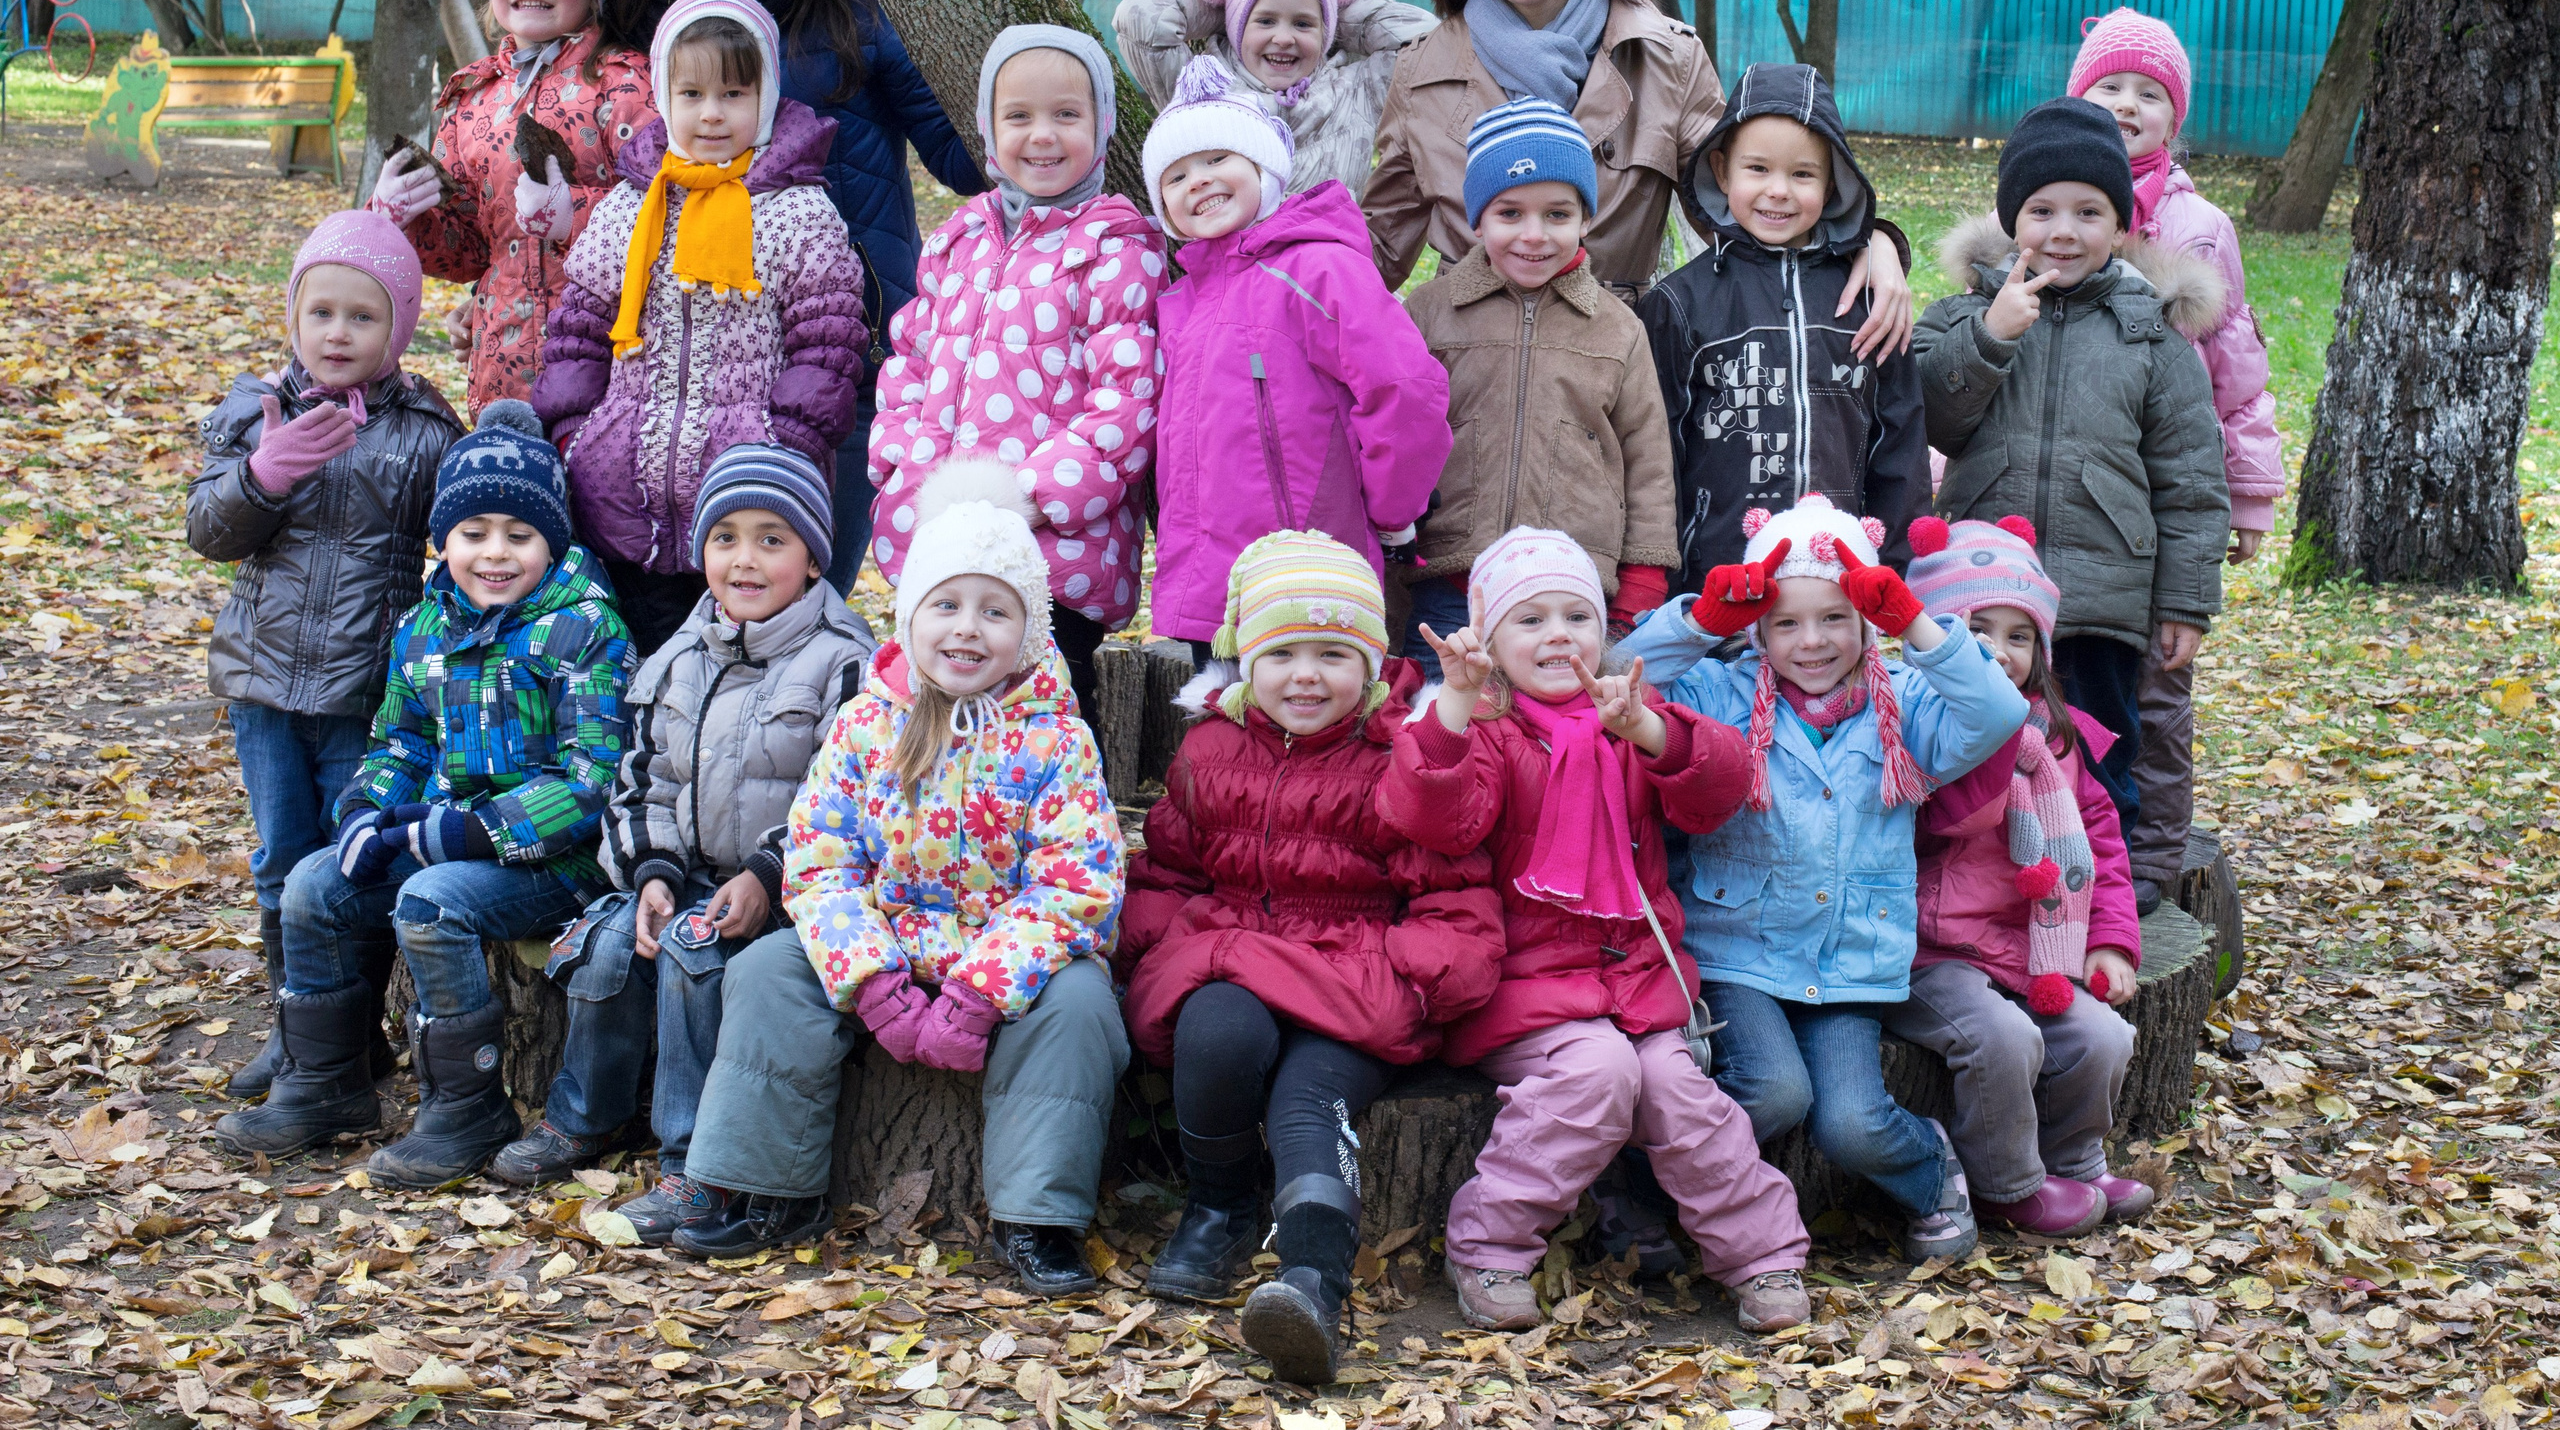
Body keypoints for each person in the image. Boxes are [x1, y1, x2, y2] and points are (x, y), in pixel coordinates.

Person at [671, 459, 1127, 1291]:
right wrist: (873, 978)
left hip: (1010, 953)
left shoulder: (1057, 737)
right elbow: (819, 859)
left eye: (995, 611)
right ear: (911, 614)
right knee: (770, 972)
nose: (966, 628)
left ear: (1028, 631)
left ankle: (1037, 1215)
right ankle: (764, 1182)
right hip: (886, 937)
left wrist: (982, 990)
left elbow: (1077, 883)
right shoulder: (867, 722)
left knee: (1080, 1009)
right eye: (946, 605)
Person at [1381, 527, 1813, 1337]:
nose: (1556, 635)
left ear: (1603, 632)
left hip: (1639, 985)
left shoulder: (1626, 714)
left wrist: (1649, 732)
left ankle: (1762, 1257)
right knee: (1599, 1071)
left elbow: (1721, 783)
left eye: (1576, 616)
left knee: (1681, 1092)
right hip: (1525, 990)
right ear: (1492, 639)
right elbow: (1431, 815)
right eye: (1529, 619)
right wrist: (1454, 701)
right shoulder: (1489, 734)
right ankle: (1491, 1245)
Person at [212, 403, 637, 1185]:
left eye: (520, 534)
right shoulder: (425, 625)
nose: (495, 554)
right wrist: (366, 811)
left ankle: (467, 1103)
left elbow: (590, 784)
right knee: (313, 883)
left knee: (431, 900)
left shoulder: (582, 630)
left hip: (556, 861)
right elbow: (401, 742)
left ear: (554, 540)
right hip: (446, 838)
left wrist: (459, 833)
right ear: (446, 540)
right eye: (474, 534)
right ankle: (327, 1078)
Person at [1120, 532, 1502, 1383]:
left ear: (1369, 664)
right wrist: (1143, 949)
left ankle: (1311, 1284)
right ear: (1243, 659)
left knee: (1309, 1093)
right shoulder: (1210, 749)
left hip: (1352, 964)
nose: (1305, 675)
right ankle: (1218, 1204)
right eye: (1282, 652)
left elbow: (1451, 894)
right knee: (1215, 1029)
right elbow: (1170, 868)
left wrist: (1409, 977)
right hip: (1231, 950)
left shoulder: (1400, 753)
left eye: (1333, 654)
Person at [607, 0, 988, 591]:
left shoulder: (850, 2)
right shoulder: (632, 7)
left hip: (838, 367)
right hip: (672, 378)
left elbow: (969, 159)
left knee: (800, 620)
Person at [1616, 495, 2025, 1260]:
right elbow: (1617, 683)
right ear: (1757, 630)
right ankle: (1639, 1184)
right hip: (1744, 955)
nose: (1812, 641)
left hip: (1851, 966)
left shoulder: (1904, 704)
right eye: (1786, 623)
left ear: (1868, 619)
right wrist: (1700, 622)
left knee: (1851, 1123)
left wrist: (1916, 626)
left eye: (1836, 617)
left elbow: (1998, 711)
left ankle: (1930, 1169)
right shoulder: (1721, 693)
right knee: (1773, 1093)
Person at [482, 444, 877, 1216]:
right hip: (686, 870)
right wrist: (652, 870)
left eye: (773, 538)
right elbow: (638, 783)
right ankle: (584, 1116)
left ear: (813, 555)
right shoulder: (676, 656)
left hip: (793, 888)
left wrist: (768, 877)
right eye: (725, 537)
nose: (746, 559)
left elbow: (848, 798)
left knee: (696, 953)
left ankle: (696, 1158)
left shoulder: (844, 661)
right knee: (604, 945)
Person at [1365, 0, 1910, 343]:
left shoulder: (1666, 58)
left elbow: (1743, 208)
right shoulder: (1420, 70)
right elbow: (1374, 253)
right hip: (1461, 377)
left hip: (1612, 378)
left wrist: (1871, 241)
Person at [188, 212, 464, 1101]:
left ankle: (348, 1037)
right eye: (322, 313)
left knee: (353, 860)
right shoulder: (253, 409)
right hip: (262, 679)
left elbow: (465, 544)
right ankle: (294, 1029)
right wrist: (260, 474)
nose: (338, 333)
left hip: (365, 691)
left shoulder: (423, 430)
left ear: (399, 328)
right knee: (280, 858)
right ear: (294, 317)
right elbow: (208, 531)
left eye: (363, 316)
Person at [1915, 98, 2231, 826]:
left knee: (2099, 757)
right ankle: (1974, 890)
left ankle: (2109, 895)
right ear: (2011, 222)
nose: (2063, 231)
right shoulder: (1962, 316)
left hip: (2099, 601)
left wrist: (2184, 600)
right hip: (1985, 596)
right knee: (1975, 756)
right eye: (2042, 210)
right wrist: (1992, 338)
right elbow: (1935, 418)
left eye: (2089, 213)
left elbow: (2191, 482)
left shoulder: (2149, 335)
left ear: (2121, 226)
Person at [533, 0, 870, 655]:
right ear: (663, 95)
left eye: (733, 94)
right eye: (692, 95)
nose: (711, 114)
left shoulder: (797, 213)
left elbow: (828, 346)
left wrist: (788, 444)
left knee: (739, 661)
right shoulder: (633, 205)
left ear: (766, 95)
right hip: (622, 480)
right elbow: (580, 324)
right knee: (635, 654)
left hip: (747, 492)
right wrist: (578, 432)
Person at [868, 26, 1165, 729]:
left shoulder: (1115, 245)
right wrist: (909, 478)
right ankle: (942, 831)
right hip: (941, 538)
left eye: (1067, 115)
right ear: (986, 126)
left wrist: (1023, 499)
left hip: (1055, 549)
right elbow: (909, 366)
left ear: (1103, 124)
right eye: (1019, 116)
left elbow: (1124, 405)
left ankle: (1056, 829)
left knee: (1043, 711)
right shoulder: (960, 238)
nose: (1042, 136)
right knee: (935, 708)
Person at [2068, 9, 2282, 910]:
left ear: (2174, 116)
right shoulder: (2051, 207)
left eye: (2147, 94)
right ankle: (2057, 844)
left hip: (2167, 500)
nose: (2126, 105)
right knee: (2065, 681)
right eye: (2108, 88)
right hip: (2078, 500)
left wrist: (2248, 496)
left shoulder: (2199, 225)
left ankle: (2148, 861)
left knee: (2157, 687)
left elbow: (2238, 369)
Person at [1889, 514, 2151, 1237]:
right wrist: (1994, 741)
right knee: (2005, 1038)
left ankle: (2071, 1159)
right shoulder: (1915, 726)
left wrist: (2110, 940)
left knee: (2103, 1038)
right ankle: (2007, 1182)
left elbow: (2099, 840)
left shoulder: (2056, 734)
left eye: (2019, 635)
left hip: (2033, 946)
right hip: (1931, 952)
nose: (1999, 653)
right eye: (1977, 629)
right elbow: (1939, 822)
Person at [1144, 58, 1451, 658]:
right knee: (1232, 748)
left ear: (1265, 167)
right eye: (1175, 177)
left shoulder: (1318, 268)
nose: (1199, 181)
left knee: (1319, 739)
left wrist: (1393, 512)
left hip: (1311, 577)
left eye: (1216, 160)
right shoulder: (1180, 304)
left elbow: (1402, 388)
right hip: (1214, 594)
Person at [1399, 100, 1678, 654]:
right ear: (1477, 218)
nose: (1534, 235)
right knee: (1447, 721)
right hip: (1455, 581)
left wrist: (1643, 576)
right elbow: (1395, 439)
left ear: (1586, 218)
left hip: (1569, 593)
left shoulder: (1617, 328)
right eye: (1510, 214)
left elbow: (1648, 461)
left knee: (1556, 733)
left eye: (1557, 214)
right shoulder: (1428, 315)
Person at [371, 0, 656, 417]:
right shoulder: (474, 99)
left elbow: (668, 208)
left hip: (611, 361)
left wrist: (573, 214)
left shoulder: (624, 83)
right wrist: (404, 217)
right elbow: (468, 249)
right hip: (500, 364)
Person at [1645, 62, 1928, 584]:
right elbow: (1655, 455)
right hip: (1717, 582)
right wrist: (1663, 574)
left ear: (1833, 181)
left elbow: (1900, 441)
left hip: (1836, 580)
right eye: (1757, 169)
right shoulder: (1679, 303)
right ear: (1722, 170)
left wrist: (1895, 570)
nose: (1778, 191)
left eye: (1802, 174)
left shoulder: (1870, 300)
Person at [1114, 0, 1435, 199]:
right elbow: (1140, 20)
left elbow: (1425, 42)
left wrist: (1338, 9)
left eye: (1303, 24)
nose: (1283, 38)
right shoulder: (1199, 88)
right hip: (1233, 274)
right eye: (1265, 21)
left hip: (1326, 272)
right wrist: (1222, 8)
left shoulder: (1358, 91)